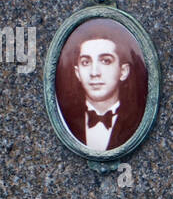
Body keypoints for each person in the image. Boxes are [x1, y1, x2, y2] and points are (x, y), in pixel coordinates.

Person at [57, 19, 147, 151]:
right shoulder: (66, 120)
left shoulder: (138, 119)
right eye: (86, 62)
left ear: (123, 71)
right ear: (77, 73)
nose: (94, 73)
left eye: (105, 61)